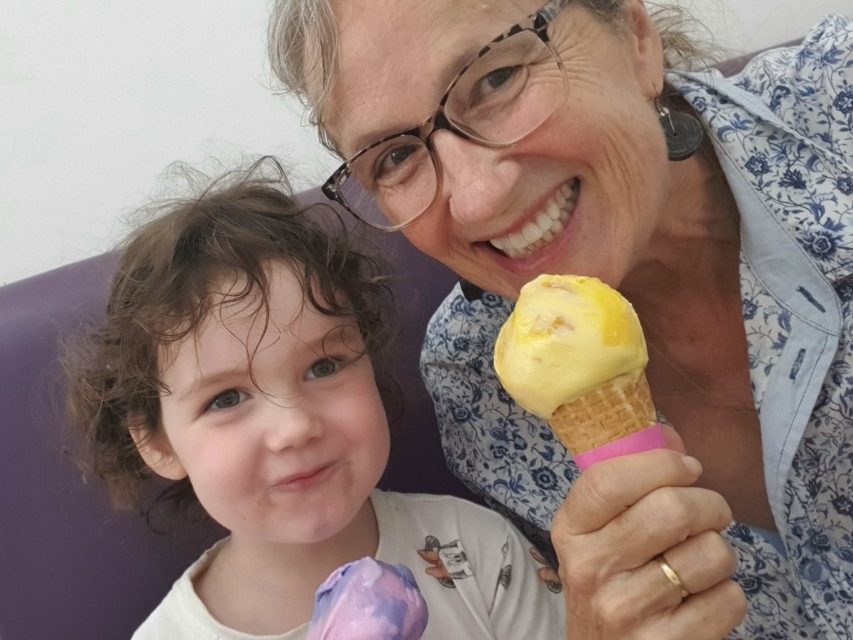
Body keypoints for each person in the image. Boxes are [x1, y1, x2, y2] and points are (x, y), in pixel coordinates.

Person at [268, 0, 853, 637]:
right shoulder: (476, 385)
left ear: (636, 40)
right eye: (394, 157)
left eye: (495, 78)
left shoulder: (837, 98)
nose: (477, 197)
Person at [62, 158, 567, 639]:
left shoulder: (477, 550)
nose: (295, 427)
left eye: (323, 367)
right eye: (226, 398)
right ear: (158, 443)